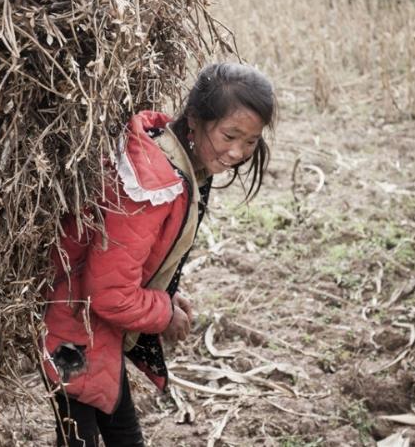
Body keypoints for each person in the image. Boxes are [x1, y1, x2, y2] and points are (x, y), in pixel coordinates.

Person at [41, 62, 277, 446]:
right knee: (80, 436)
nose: (238, 151)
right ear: (196, 120)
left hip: (90, 323)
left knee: (119, 432)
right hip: (71, 329)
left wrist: (163, 293)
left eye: (250, 141)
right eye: (230, 135)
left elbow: (128, 265)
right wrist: (162, 313)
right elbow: (110, 294)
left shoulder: (176, 159)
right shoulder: (150, 187)